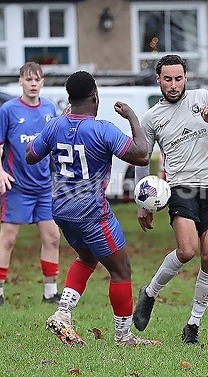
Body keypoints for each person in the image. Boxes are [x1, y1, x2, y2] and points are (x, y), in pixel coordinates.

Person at [27, 71, 151, 347]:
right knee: (121, 270)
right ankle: (123, 337)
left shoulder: (55, 126)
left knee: (87, 258)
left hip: (60, 209)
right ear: (95, 97)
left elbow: (31, 155)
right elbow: (142, 153)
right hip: (92, 212)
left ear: (69, 100)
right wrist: (132, 117)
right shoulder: (102, 129)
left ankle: (63, 313)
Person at [131, 54, 208, 345]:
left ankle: (193, 324)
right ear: (158, 80)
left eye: (178, 79)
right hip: (180, 188)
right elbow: (143, 157)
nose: (173, 85)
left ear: (185, 78)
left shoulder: (204, 98)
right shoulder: (152, 117)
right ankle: (149, 293)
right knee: (187, 251)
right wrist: (142, 201)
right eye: (168, 79)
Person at [0, 62, 60, 306]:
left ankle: (50, 292)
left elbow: (57, 142)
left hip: (44, 187)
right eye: (28, 79)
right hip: (17, 186)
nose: (33, 84)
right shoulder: (8, 110)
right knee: (8, 238)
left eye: (37, 80)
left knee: (52, 237)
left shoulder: (49, 108)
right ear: (20, 81)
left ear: (42, 82)